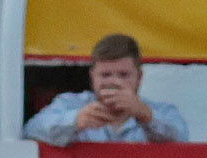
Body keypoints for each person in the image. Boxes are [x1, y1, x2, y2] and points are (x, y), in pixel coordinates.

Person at [22, 33, 186, 146]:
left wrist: (146, 116)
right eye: (106, 75)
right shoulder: (71, 104)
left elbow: (182, 138)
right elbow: (31, 131)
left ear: (139, 77)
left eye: (123, 75)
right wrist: (75, 121)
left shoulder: (162, 111)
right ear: (92, 76)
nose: (114, 82)